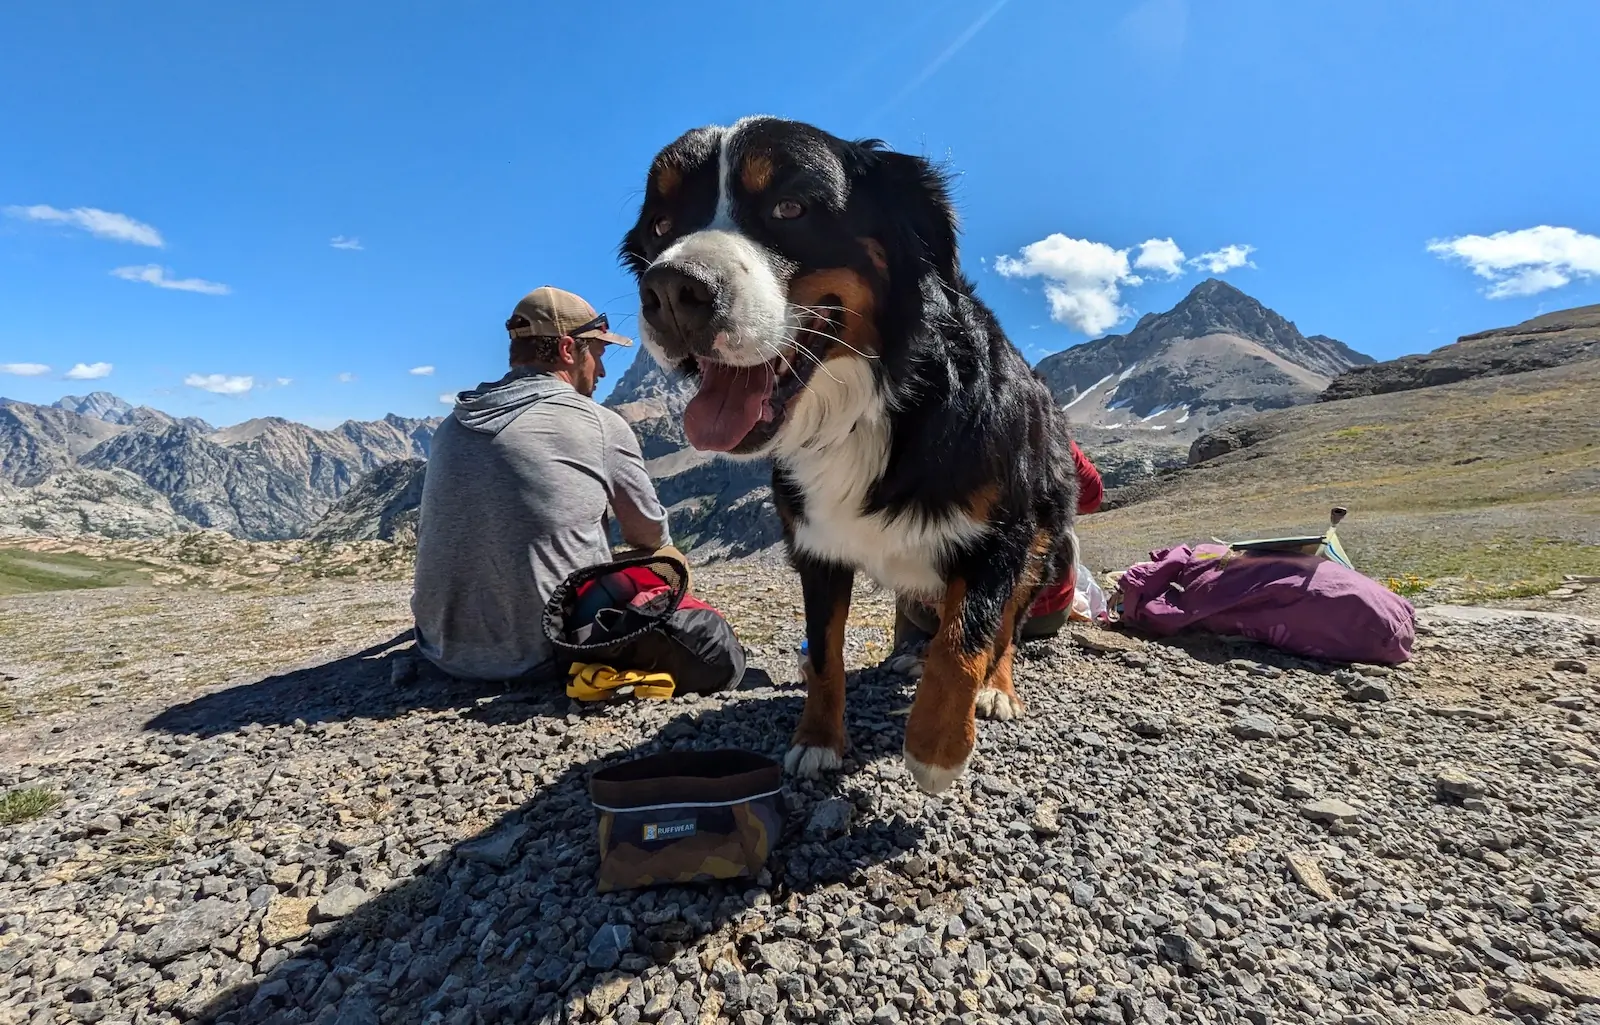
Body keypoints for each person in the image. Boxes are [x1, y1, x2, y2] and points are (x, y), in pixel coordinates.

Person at [409, 285, 675, 683]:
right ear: (569, 350)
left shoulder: (451, 425)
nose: (601, 372)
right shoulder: (599, 423)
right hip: (548, 652)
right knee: (667, 563)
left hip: (441, 650)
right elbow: (649, 534)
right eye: (598, 355)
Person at [891, 439, 1106, 648]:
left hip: (942, 618)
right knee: (1059, 522)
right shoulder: (1044, 425)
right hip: (1043, 614)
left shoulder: (934, 427)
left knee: (909, 530)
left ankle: (907, 646)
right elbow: (1091, 498)